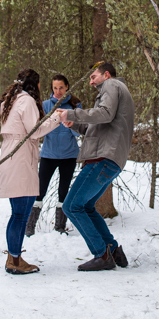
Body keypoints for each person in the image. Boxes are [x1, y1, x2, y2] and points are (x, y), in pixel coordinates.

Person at [56, 61, 135, 271]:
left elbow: (105, 114)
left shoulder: (111, 86)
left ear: (106, 74)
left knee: (71, 206)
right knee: (87, 207)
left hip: (103, 158)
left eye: (94, 77)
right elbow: (102, 125)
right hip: (109, 158)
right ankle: (113, 250)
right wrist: (77, 124)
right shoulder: (116, 90)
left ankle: (102, 254)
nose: (91, 82)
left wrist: (71, 114)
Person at [0, 69, 63, 274]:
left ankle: (13, 257)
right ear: (35, 84)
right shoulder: (26, 101)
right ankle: (14, 260)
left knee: (17, 213)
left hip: (10, 154)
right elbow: (36, 131)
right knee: (20, 214)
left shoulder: (9, 99)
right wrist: (56, 118)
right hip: (20, 157)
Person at [25, 74, 83, 236]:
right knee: (39, 191)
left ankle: (60, 227)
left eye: (61, 88)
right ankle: (30, 227)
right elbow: (38, 129)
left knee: (63, 192)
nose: (58, 91)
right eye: (55, 88)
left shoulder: (75, 105)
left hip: (69, 156)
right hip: (49, 155)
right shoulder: (45, 105)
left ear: (67, 87)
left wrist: (69, 120)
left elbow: (79, 133)